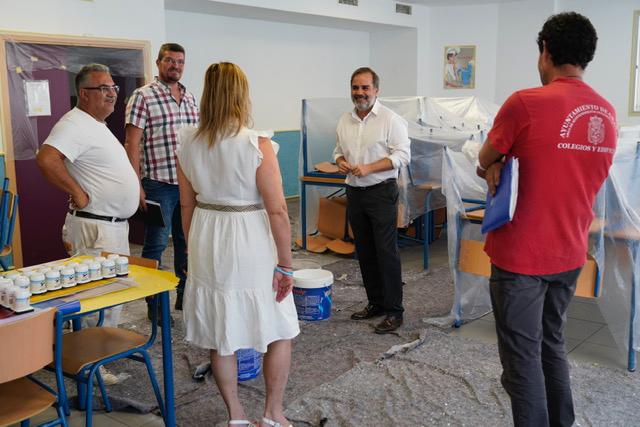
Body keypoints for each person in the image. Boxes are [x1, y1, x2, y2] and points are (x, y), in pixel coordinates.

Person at [476, 12, 616, 427]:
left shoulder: (526, 102)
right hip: (570, 252)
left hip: (522, 256)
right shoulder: (607, 113)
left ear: (545, 52)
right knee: (551, 344)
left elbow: (484, 159)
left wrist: (497, 163)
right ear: (586, 57)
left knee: (522, 362)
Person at [176, 62, 299, 427]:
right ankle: (273, 413)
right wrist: (286, 264)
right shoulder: (256, 144)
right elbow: (277, 209)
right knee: (279, 327)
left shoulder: (189, 142)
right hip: (249, 235)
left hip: (207, 233)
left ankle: (237, 417)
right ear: (241, 95)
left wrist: (190, 250)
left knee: (221, 331)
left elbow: (186, 204)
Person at [37, 63, 140, 385]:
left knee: (111, 295)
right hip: (97, 227)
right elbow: (46, 158)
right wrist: (78, 192)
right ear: (84, 93)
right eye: (104, 89)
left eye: (113, 89)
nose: (112, 94)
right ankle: (89, 364)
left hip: (111, 225)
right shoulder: (75, 124)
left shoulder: (96, 124)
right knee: (98, 297)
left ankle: (99, 356)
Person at [125, 43, 199, 322]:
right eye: (169, 60)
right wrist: (137, 185)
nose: (175, 66)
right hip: (158, 184)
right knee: (155, 244)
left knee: (186, 243)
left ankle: (185, 298)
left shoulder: (191, 98)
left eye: (180, 61)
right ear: (158, 63)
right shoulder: (142, 96)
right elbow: (131, 143)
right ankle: (155, 307)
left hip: (188, 185)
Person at [334, 67, 411, 334]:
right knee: (364, 251)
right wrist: (341, 162)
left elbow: (402, 156)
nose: (360, 93)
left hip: (381, 191)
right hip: (355, 192)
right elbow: (337, 151)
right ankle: (376, 303)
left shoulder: (391, 120)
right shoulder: (345, 120)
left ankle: (394, 311)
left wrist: (370, 168)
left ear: (376, 90)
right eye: (355, 87)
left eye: (365, 87)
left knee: (385, 252)